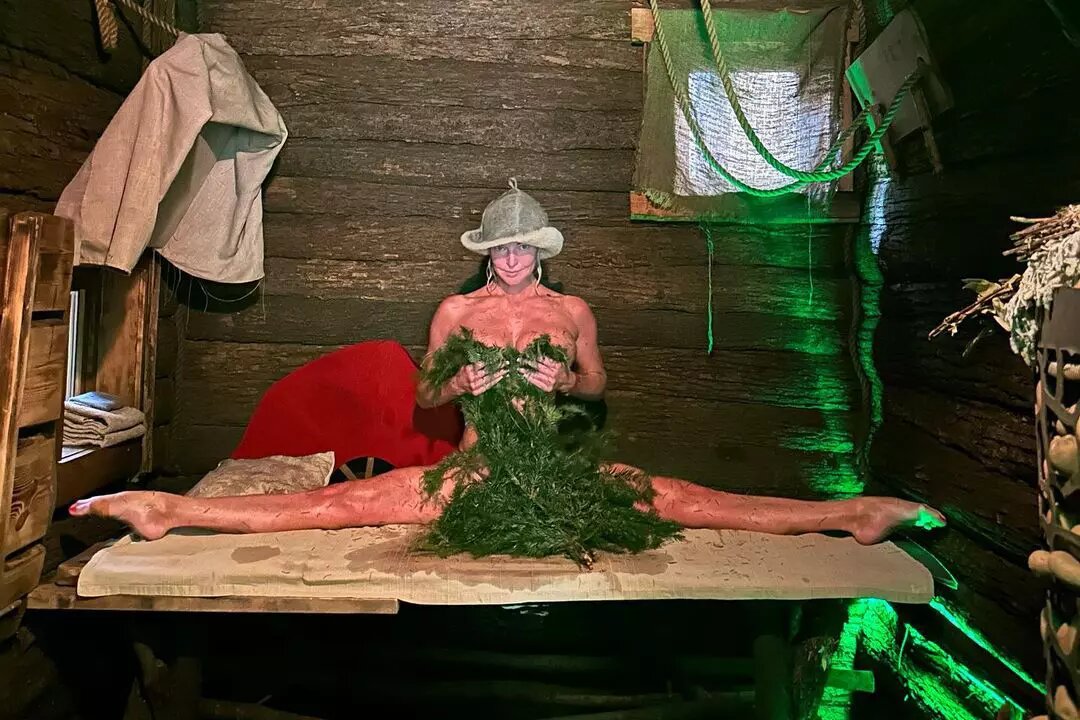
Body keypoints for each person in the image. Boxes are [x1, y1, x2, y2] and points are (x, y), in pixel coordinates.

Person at [70, 180, 945, 547]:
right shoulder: (459, 312)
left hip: (556, 459)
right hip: (479, 462)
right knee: (347, 505)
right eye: (502, 248)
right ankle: (168, 511)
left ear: (541, 251)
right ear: (487, 252)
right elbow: (425, 389)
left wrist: (570, 382)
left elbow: (598, 387)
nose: (514, 259)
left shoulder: (572, 312)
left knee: (676, 497)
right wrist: (459, 381)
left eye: (525, 247)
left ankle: (849, 513)